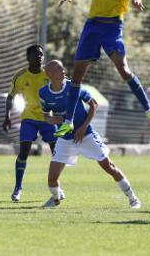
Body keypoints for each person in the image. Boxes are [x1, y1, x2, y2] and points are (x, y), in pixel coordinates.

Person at [55, 0, 150, 138]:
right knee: (77, 74)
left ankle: (148, 110)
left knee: (124, 68)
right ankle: (68, 121)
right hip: (93, 27)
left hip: (113, 28)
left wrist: (136, 0)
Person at [39, 60, 141, 209]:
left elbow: (93, 104)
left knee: (109, 166)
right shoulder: (44, 93)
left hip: (85, 134)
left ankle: (133, 198)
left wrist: (82, 128)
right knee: (51, 179)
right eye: (58, 69)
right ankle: (56, 198)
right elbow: (45, 114)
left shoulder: (73, 86)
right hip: (65, 139)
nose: (63, 70)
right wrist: (50, 119)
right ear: (49, 74)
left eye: (62, 67)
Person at [3, 44, 57, 202]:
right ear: (28, 58)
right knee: (24, 151)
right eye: (35, 54)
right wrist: (7, 117)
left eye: (41, 54)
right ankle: (18, 187)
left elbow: (64, 86)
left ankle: (56, 188)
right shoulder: (20, 76)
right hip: (29, 118)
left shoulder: (50, 73)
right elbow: (10, 97)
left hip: (48, 118)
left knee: (57, 153)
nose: (39, 57)